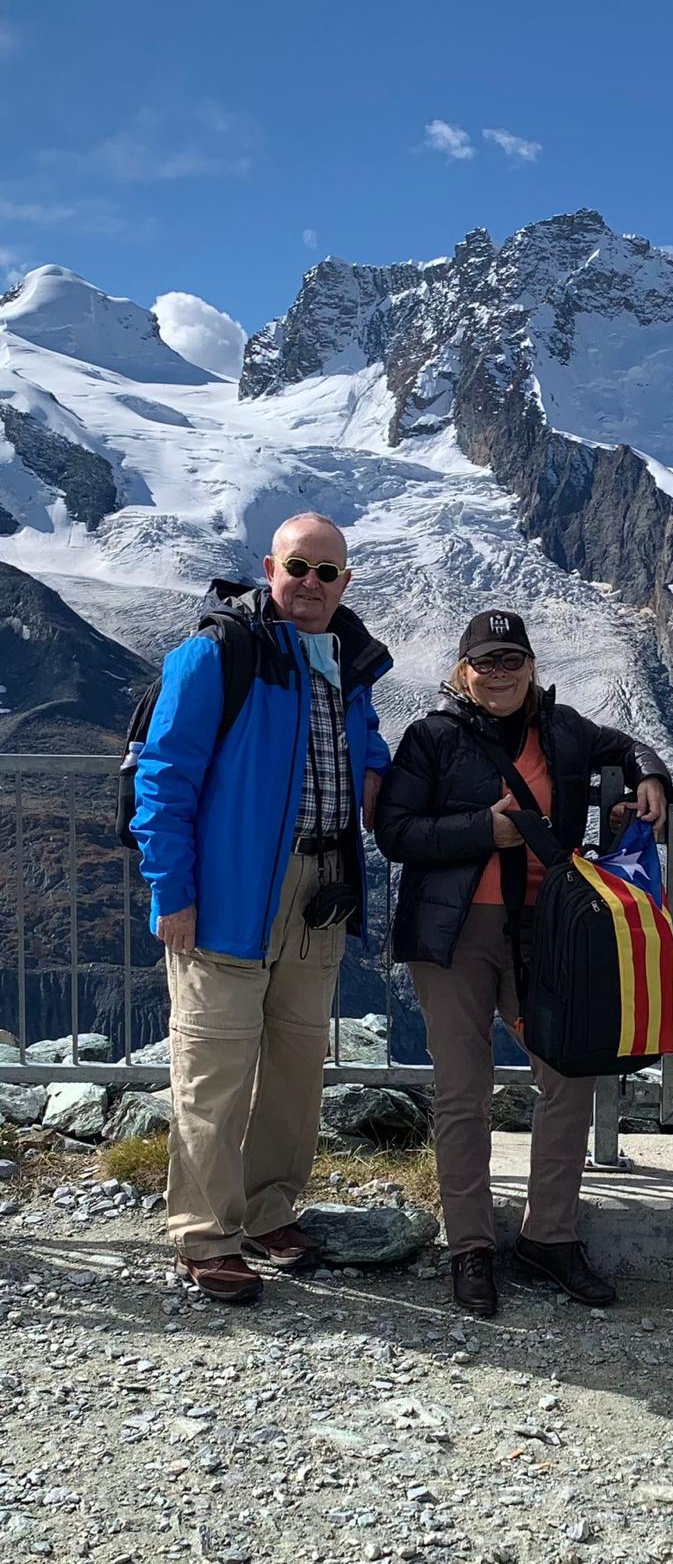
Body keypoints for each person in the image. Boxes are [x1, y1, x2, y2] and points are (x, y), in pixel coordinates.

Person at [374, 610, 669, 1318]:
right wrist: (487, 829)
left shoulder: (565, 730)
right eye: (486, 662)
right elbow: (393, 831)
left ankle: (550, 1235)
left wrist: (650, 773)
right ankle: (469, 1245)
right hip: (452, 933)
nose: (499, 673)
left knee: (568, 1070)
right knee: (461, 1088)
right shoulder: (431, 738)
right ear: (462, 669)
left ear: (531, 666)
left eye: (511, 660)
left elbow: (623, 744)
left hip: (544, 929)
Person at [132, 512, 392, 1303]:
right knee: (212, 1068)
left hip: (319, 889)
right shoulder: (218, 653)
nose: (311, 584)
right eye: (299, 567)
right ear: (268, 569)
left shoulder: (345, 661)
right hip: (228, 892)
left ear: (345, 582)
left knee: (294, 1065)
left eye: (328, 572)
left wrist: (376, 771)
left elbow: (365, 742)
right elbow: (163, 779)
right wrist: (172, 891)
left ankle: (269, 1210)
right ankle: (207, 1234)